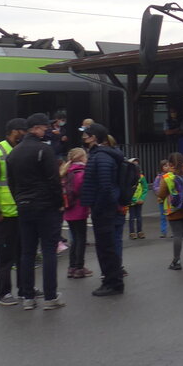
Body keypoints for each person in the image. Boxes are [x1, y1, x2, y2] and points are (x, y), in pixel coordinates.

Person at [6, 112, 65, 310]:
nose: (46, 130)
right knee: (48, 250)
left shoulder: (13, 153)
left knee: (27, 252)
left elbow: (11, 183)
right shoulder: (43, 150)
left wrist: (19, 200)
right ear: (36, 128)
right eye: (44, 127)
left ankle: (28, 297)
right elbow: (53, 180)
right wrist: (59, 202)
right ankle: (50, 297)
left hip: (23, 206)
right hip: (46, 206)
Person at [0, 117, 27, 306]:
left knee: (24, 254)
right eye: (23, 131)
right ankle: (4, 293)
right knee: (5, 257)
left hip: (22, 212)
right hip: (5, 215)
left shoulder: (21, 150)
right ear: (15, 131)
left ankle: (26, 289)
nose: (26, 134)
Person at [81, 122, 126, 297]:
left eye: (86, 134)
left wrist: (98, 207)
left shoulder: (101, 157)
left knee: (106, 247)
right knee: (107, 247)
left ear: (94, 137)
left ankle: (112, 282)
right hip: (105, 208)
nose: (84, 137)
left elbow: (105, 186)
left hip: (104, 210)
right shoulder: (101, 155)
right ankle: (111, 280)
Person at [61, 147, 92, 278]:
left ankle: (72, 266)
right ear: (81, 158)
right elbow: (84, 191)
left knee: (74, 238)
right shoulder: (81, 173)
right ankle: (79, 267)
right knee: (81, 239)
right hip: (79, 209)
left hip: (68, 210)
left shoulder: (66, 172)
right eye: (85, 156)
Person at [127, 158, 147, 239]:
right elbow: (127, 190)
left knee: (139, 217)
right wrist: (134, 200)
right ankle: (132, 232)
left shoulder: (141, 177)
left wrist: (142, 198)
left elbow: (145, 188)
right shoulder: (128, 177)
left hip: (139, 200)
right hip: (132, 201)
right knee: (131, 217)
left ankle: (140, 231)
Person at [152, 158, 170, 238]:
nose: (167, 167)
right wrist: (161, 192)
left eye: (168, 165)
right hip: (162, 199)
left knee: (171, 215)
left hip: (170, 200)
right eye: (165, 166)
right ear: (161, 167)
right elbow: (155, 187)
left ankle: (173, 232)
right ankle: (163, 232)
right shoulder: (159, 177)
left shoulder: (171, 176)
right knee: (163, 216)